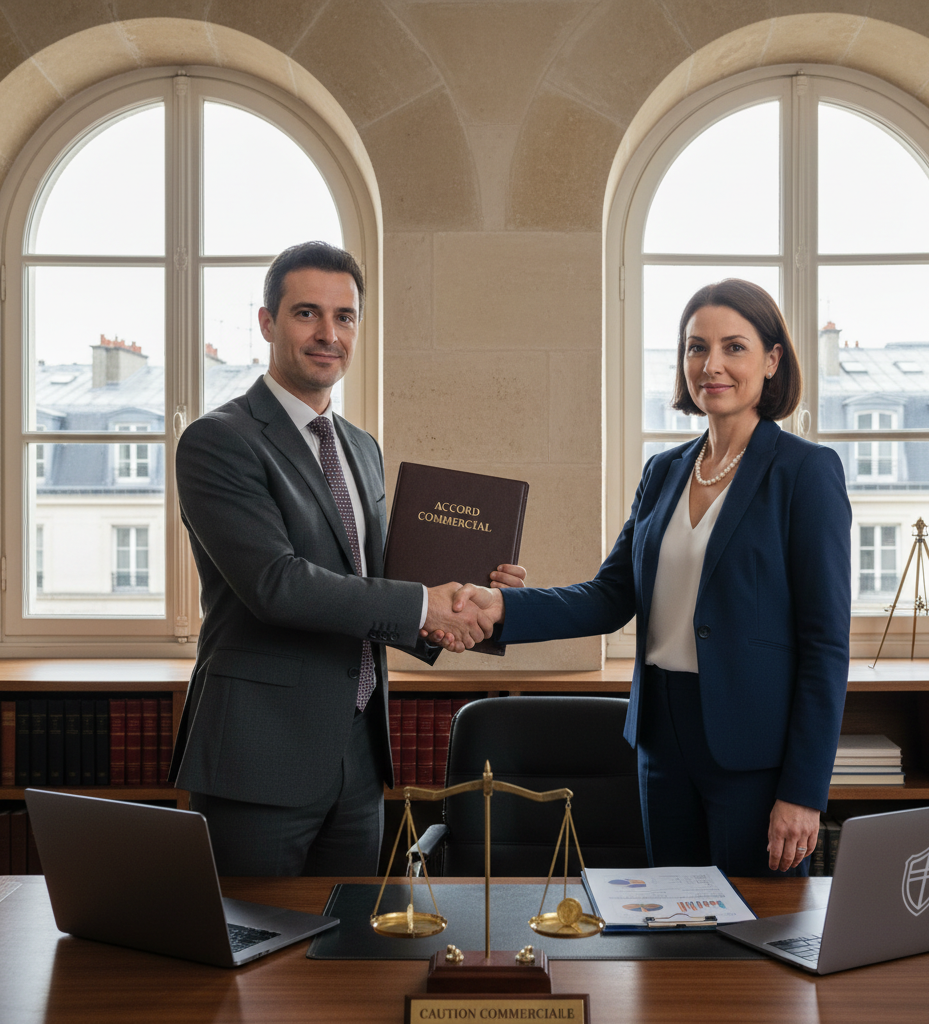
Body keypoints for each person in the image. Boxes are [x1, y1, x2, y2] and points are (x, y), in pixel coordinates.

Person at [435, 279, 851, 877]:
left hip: (753, 749)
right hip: (662, 738)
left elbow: (825, 645)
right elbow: (610, 597)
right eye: (696, 347)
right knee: (673, 918)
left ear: (772, 359)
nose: (711, 365)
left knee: (757, 924)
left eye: (734, 347)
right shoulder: (664, 471)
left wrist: (805, 792)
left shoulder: (805, 473)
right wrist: (501, 608)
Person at [170, 241, 523, 876]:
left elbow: (373, 581)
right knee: (254, 937)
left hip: (360, 757)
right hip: (260, 756)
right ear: (267, 323)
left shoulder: (361, 447)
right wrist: (423, 604)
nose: (329, 334)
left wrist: (471, 598)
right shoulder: (218, 441)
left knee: (351, 932)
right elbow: (277, 584)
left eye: (346, 316)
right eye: (307, 313)